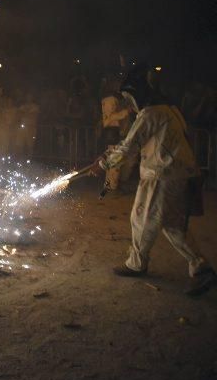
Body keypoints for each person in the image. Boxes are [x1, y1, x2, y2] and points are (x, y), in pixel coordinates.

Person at [92, 64, 216, 296]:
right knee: (173, 225)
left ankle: (136, 264)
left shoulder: (151, 113)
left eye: (129, 97)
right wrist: (107, 159)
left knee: (141, 218)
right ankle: (202, 268)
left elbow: (130, 146)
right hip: (180, 174)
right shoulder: (170, 109)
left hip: (162, 174)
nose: (128, 102)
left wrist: (104, 164)